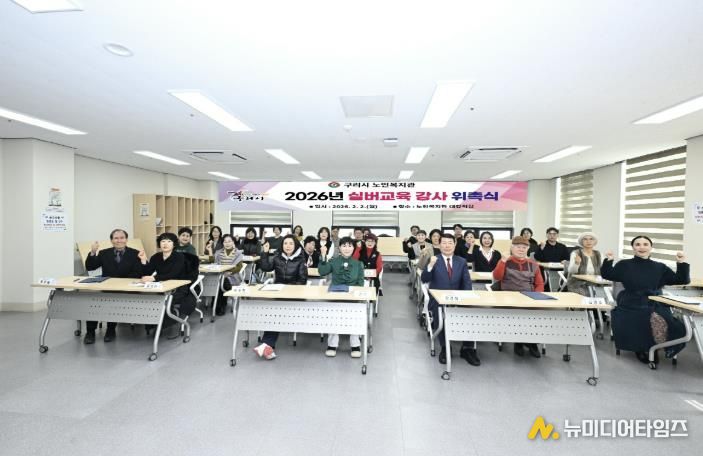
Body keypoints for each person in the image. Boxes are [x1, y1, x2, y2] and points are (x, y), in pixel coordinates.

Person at [600, 236, 690, 365]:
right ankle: (642, 348)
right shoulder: (624, 264)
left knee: (670, 322)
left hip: (655, 301)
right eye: (637, 244)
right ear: (633, 248)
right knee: (640, 317)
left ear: (651, 247)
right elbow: (607, 274)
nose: (641, 247)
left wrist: (681, 263)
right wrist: (608, 260)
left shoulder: (660, 267)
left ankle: (655, 347)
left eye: (645, 244)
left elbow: (681, 280)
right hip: (631, 301)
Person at [420, 234, 476, 365]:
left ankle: (467, 348)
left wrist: (466, 300)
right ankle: (445, 347)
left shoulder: (461, 261)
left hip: (458, 299)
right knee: (441, 315)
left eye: (450, 243)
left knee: (470, 314)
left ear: (455, 245)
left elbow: (467, 283)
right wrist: (430, 266)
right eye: (444, 243)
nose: (447, 246)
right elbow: (424, 279)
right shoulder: (434, 259)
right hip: (438, 300)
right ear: (439, 245)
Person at [253, 234, 308, 360]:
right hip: (278, 294)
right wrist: (265, 253)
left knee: (276, 313)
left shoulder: (301, 259)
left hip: (294, 296)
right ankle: (267, 346)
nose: (288, 246)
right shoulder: (277, 257)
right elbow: (266, 267)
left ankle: (266, 344)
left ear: (295, 245)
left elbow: (302, 281)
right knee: (274, 312)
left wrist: (287, 289)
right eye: (285, 243)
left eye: (291, 243)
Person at [84, 228, 144, 344]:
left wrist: (121, 283)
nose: (119, 240)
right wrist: (92, 252)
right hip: (107, 288)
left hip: (127, 289)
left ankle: (110, 330)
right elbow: (90, 267)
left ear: (126, 240)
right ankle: (90, 332)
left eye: (122, 238)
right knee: (93, 303)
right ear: (111, 240)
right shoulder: (104, 253)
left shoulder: (135, 253)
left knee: (113, 301)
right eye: (116, 238)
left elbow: (138, 273)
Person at [493, 236, 545, 358]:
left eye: (524, 247)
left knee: (536, 315)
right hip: (508, 298)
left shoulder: (533, 264)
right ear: (512, 248)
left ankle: (531, 342)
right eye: (518, 247)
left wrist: (537, 298)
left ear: (527, 249)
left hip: (529, 297)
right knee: (519, 314)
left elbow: (539, 283)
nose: (521, 249)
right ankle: (519, 342)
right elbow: (497, 277)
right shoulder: (506, 261)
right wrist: (503, 261)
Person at [139, 232, 196, 336]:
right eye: (163, 241)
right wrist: (143, 260)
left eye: (169, 241)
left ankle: (162, 325)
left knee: (165, 301)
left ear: (174, 244)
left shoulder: (179, 257)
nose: (165, 244)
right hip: (161, 287)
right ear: (159, 244)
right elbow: (147, 273)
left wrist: (154, 278)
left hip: (179, 288)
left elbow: (173, 273)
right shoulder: (155, 257)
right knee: (149, 299)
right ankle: (154, 324)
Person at [317, 237, 365, 358]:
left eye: (349, 246)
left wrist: (354, 295)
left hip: (352, 298)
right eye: (344, 246)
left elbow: (360, 284)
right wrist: (323, 255)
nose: (347, 248)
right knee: (334, 318)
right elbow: (322, 271)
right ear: (339, 248)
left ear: (353, 248)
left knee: (354, 318)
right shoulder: (334, 261)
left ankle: (355, 345)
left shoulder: (358, 264)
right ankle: (332, 344)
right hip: (336, 296)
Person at [213, 234, 244, 315]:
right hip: (220, 275)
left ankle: (220, 306)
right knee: (218, 281)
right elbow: (215, 264)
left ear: (233, 242)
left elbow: (239, 267)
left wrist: (230, 272)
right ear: (223, 243)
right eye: (225, 242)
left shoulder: (238, 253)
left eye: (229, 241)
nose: (227, 243)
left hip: (232, 276)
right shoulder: (219, 252)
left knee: (222, 283)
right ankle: (217, 305)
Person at [565, 232, 603, 296]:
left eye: (591, 239)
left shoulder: (598, 254)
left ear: (594, 242)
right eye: (585, 239)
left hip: (596, 284)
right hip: (578, 284)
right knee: (588, 294)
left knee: (605, 294)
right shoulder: (576, 253)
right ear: (581, 242)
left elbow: (603, 270)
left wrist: (609, 262)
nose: (588, 241)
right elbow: (571, 271)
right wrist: (576, 263)